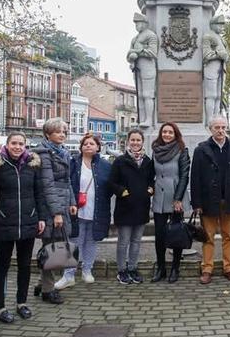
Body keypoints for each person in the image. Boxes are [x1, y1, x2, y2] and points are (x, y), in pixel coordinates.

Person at [0, 133, 45, 323]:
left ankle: (21, 303)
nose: (17, 147)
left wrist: (40, 217)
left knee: (25, 266)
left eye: (21, 144)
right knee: (2, 266)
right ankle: (0, 307)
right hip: (3, 221)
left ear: (26, 146)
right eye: (13, 143)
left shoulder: (32, 165)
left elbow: (38, 193)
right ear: (7, 145)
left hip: (28, 221)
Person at [191, 114, 230, 284]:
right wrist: (197, 203)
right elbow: (195, 178)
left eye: (223, 127)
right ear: (211, 129)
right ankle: (207, 269)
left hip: (229, 200)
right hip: (208, 201)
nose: (221, 131)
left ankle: (228, 268)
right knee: (208, 236)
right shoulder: (201, 150)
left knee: (228, 235)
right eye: (217, 127)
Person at [55, 133, 113, 289]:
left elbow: (111, 187)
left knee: (91, 241)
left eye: (92, 144)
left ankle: (87, 270)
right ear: (81, 147)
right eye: (85, 143)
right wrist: (68, 202)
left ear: (98, 147)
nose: (88, 146)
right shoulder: (73, 163)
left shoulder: (106, 166)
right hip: (76, 209)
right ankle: (68, 275)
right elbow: (66, 184)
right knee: (74, 242)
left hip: (97, 209)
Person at [30, 118, 74, 304]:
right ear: (48, 134)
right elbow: (47, 185)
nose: (62, 134)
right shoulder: (44, 154)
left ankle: (42, 283)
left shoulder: (62, 152)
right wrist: (56, 212)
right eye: (58, 132)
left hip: (62, 203)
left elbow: (68, 181)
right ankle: (48, 290)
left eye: (64, 131)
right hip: (50, 206)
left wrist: (71, 202)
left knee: (55, 246)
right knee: (51, 248)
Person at [109, 129, 155, 284]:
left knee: (136, 241)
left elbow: (151, 179)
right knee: (124, 241)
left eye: (138, 140)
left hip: (141, 206)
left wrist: (151, 189)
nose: (135, 143)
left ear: (142, 142)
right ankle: (121, 270)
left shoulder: (148, 161)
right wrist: (122, 192)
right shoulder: (120, 161)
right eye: (133, 140)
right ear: (128, 141)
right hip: (125, 206)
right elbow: (112, 182)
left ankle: (133, 268)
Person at [150, 123, 191, 283]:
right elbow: (151, 173)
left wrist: (178, 199)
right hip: (159, 197)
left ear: (176, 134)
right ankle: (161, 268)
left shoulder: (182, 150)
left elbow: (184, 175)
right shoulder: (155, 151)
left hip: (175, 196)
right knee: (159, 235)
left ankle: (175, 268)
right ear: (161, 134)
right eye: (164, 132)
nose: (167, 134)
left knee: (176, 233)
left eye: (170, 132)